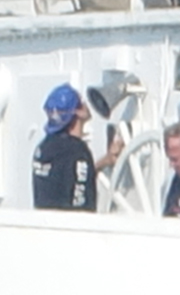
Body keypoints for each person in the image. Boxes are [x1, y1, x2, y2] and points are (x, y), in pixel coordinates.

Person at [31, 84, 122, 212]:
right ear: (77, 112)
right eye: (81, 102)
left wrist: (105, 161)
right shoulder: (77, 151)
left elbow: (68, 179)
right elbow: (80, 197)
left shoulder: (44, 148)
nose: (86, 103)